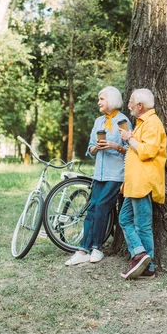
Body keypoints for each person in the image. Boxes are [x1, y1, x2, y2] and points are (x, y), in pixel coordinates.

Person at [65, 86, 132, 266]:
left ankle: (97, 248)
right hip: (99, 174)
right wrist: (95, 148)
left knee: (102, 206)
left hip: (116, 175)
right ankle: (82, 250)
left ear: (111, 100)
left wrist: (114, 146)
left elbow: (132, 150)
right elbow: (90, 148)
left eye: (101, 98)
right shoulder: (98, 121)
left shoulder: (123, 121)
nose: (98, 102)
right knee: (92, 208)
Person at [118, 88, 167, 280]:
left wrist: (129, 138)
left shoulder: (153, 123)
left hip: (143, 181)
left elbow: (147, 151)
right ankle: (139, 253)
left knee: (143, 225)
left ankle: (149, 267)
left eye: (131, 101)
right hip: (134, 183)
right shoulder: (142, 123)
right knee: (124, 219)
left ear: (140, 106)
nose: (128, 105)